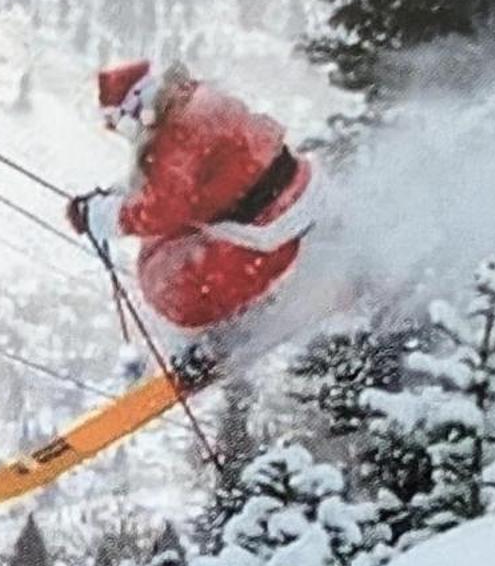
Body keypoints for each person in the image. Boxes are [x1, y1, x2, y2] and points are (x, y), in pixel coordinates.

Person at [65, 59, 316, 363]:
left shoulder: (173, 137)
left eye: (117, 123)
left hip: (271, 241)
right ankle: (251, 300)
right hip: (299, 202)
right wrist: (115, 198)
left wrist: (103, 216)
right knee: (171, 239)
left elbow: (162, 207)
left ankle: (232, 330)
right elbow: (185, 180)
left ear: (133, 111)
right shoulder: (198, 102)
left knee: (162, 278)